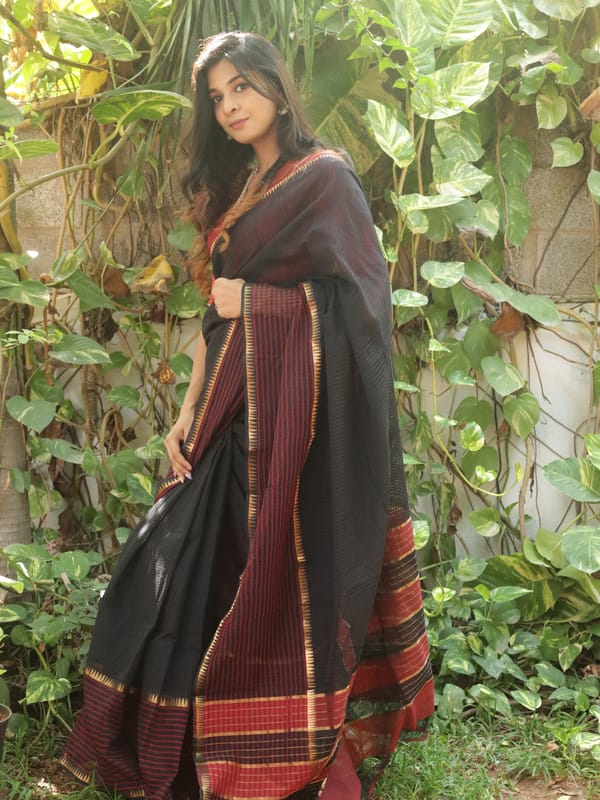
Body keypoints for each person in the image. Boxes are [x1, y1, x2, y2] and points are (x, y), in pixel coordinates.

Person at [60, 31, 433, 800]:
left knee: (265, 581)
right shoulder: (236, 188)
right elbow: (216, 318)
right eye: (217, 96)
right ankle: (191, 747)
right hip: (227, 410)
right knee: (173, 563)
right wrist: (186, 409)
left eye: (242, 87)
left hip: (295, 431)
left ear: (277, 88)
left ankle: (273, 751)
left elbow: (364, 307)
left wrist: (259, 303)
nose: (230, 105)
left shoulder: (325, 179)